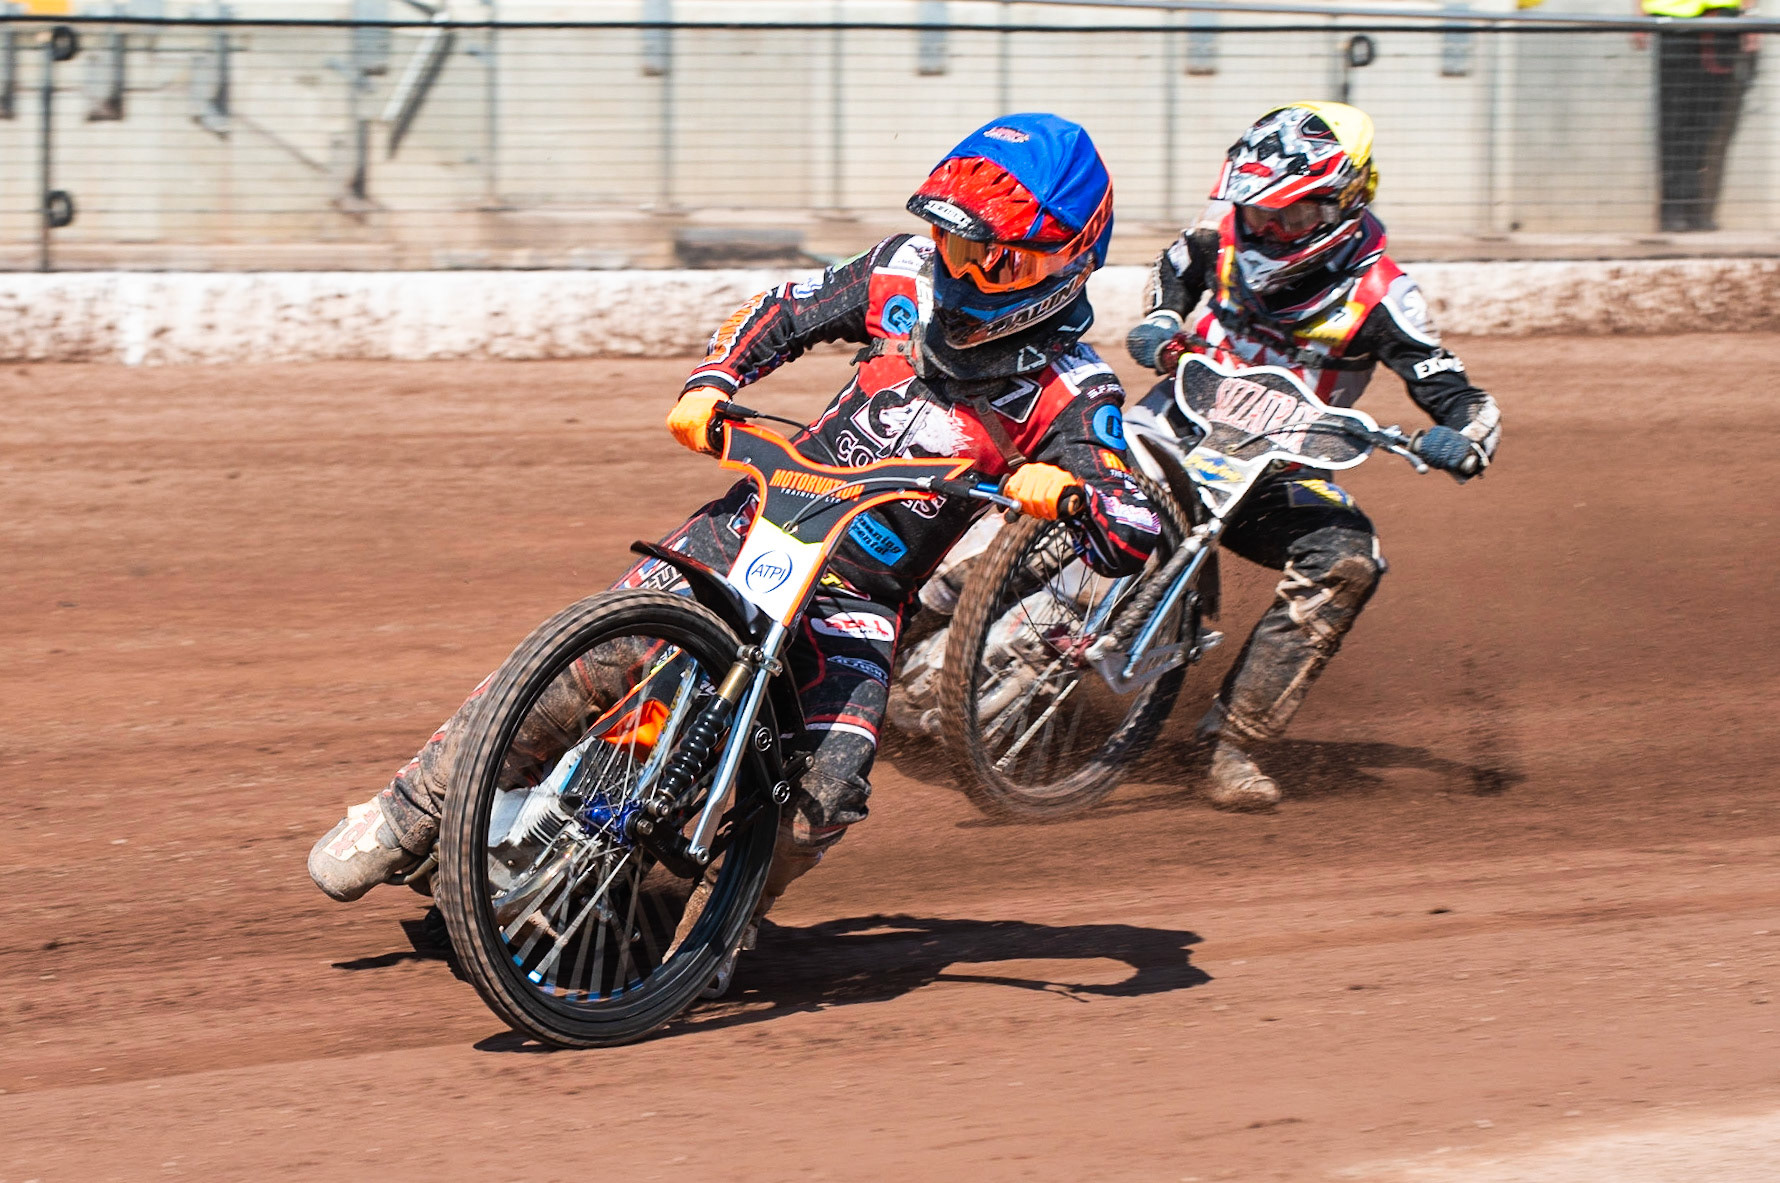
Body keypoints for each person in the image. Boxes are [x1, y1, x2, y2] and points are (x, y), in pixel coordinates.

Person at [307, 113, 1161, 982]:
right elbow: (786, 311)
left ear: (1069, 260)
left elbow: (1134, 518)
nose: (960, 267)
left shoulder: (1070, 387)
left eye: (993, 258)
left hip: (856, 601)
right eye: (950, 240)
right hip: (751, 525)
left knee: (828, 791)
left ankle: (703, 918)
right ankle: (409, 809)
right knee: (595, 663)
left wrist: (1075, 492)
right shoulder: (902, 271)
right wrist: (714, 380)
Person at [1122, 101, 1502, 812]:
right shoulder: (1223, 238)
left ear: (1344, 203)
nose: (1267, 229)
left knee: (1347, 557)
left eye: (1289, 217)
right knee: (1061, 468)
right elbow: (1174, 266)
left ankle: (1229, 743)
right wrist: (1160, 319)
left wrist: (1465, 437)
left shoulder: (1383, 293)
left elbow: (1455, 391)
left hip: (1279, 470)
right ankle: (940, 620)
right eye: (1259, 212)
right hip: (1175, 423)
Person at [1641, 0, 1759, 231]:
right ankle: (1673, 208)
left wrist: (1750, 13)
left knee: (1707, 122)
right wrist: (1639, 13)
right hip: (1676, 21)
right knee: (1675, 120)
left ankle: (1695, 206)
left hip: (1724, 22)